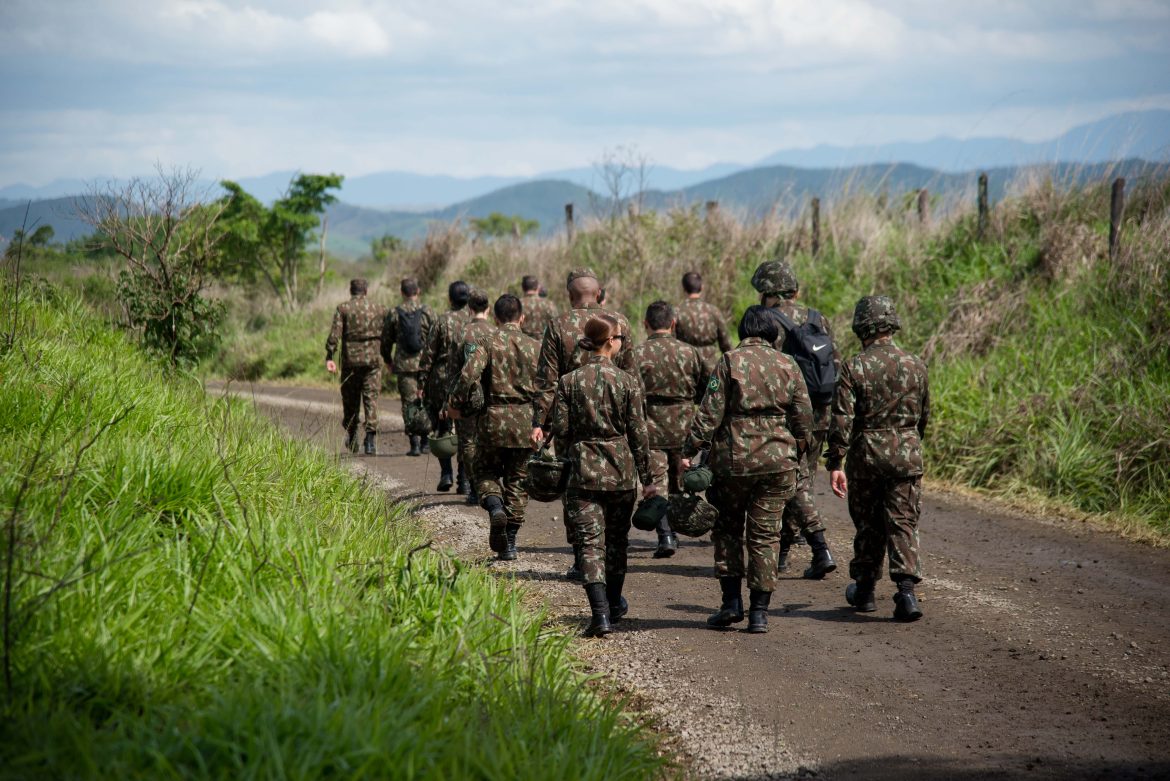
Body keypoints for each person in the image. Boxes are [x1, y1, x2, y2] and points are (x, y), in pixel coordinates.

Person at [682, 305, 812, 634]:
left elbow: (709, 413)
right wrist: (798, 449)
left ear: (743, 331)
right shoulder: (789, 364)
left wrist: (690, 448)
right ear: (773, 334)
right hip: (778, 463)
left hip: (733, 462)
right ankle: (759, 613)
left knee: (727, 530)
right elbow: (804, 419)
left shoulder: (729, 361)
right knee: (765, 536)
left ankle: (730, 604)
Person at [539, 314, 655, 637]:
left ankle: (600, 615)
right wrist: (649, 479)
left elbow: (560, 431)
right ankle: (615, 603)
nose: (620, 342)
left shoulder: (569, 382)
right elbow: (639, 435)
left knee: (590, 544)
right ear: (609, 342)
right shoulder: (628, 382)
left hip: (583, 472)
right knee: (617, 542)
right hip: (621, 473)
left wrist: (568, 457)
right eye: (618, 337)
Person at [826, 296, 930, 622]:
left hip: (867, 457)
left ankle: (866, 589)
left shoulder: (854, 366)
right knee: (903, 523)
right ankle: (906, 594)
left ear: (862, 326)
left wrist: (835, 463)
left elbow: (841, 420)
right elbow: (924, 417)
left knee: (868, 525)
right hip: (907, 454)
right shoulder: (916, 364)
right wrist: (908, 444)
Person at [531, 267, 636, 580]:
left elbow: (546, 379)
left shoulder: (558, 325)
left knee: (575, 488)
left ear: (569, 295)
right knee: (618, 484)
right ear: (599, 294)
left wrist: (541, 422)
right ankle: (611, 552)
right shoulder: (619, 323)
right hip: (616, 419)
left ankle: (582, 555)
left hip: (573, 419)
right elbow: (631, 374)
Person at [751, 259, 838, 580]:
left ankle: (820, 548)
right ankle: (784, 553)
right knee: (802, 478)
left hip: (786, 414)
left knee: (793, 481)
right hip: (821, 411)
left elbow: (763, 368)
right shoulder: (818, 318)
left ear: (766, 291)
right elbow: (834, 364)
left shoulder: (768, 320)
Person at [449, 293, 539, 560]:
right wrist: (544, 423)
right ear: (521, 317)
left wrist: (455, 403)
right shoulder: (536, 346)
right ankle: (510, 542)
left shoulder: (487, 342)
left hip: (492, 421)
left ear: (496, 318)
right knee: (518, 481)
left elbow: (467, 374)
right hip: (524, 422)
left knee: (485, 472)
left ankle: (495, 506)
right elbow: (549, 387)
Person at [631, 300, 706, 558]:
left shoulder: (636, 354)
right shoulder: (691, 352)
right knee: (678, 480)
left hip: (650, 425)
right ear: (673, 323)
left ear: (645, 324)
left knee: (657, 482)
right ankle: (672, 530)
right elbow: (706, 388)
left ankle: (665, 536)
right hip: (685, 424)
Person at [418, 280, 471, 492]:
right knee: (467, 430)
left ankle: (446, 473)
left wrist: (422, 381)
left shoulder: (441, 321)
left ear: (449, 299)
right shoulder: (473, 321)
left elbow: (428, 354)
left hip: (441, 380)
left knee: (443, 427)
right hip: (468, 379)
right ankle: (465, 480)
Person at [325, 278, 388, 455]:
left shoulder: (343, 308)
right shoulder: (380, 309)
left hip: (350, 363)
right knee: (371, 398)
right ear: (366, 291)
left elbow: (334, 335)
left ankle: (352, 436)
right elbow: (388, 333)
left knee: (350, 401)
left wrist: (329, 355)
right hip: (373, 362)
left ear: (351, 291)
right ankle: (370, 440)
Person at [449, 289, 496, 505]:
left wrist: (450, 400)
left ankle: (476, 487)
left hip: (467, 395)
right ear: (488, 308)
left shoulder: (462, 332)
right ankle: (492, 487)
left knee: (467, 442)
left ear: (469, 308)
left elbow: (453, 369)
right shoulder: (496, 332)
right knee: (487, 441)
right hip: (492, 396)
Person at [381, 277, 435, 456]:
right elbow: (436, 338)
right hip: (425, 364)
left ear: (402, 293)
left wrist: (388, 360)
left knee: (409, 404)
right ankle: (427, 441)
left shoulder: (394, 313)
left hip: (404, 365)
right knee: (426, 401)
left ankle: (414, 444)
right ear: (418, 291)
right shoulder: (427, 312)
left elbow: (386, 340)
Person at [674, 271, 732, 378]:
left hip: (686, 369)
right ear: (702, 287)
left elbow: (671, 342)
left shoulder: (677, 312)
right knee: (712, 393)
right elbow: (726, 343)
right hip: (711, 369)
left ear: (683, 289)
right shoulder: (713, 311)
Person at [520, 274, 558, 341]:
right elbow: (556, 326)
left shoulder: (517, 304)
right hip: (544, 345)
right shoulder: (549, 304)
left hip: (524, 345)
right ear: (538, 287)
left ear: (523, 288)